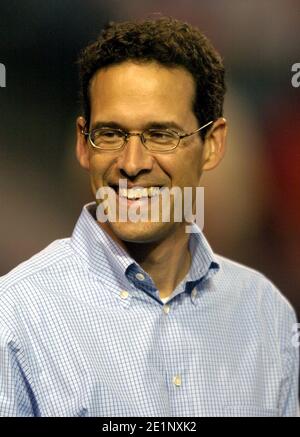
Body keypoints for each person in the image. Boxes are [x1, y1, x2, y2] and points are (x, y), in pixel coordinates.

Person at [0, 17, 298, 417]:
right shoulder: (18, 314)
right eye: (111, 134)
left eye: (162, 135)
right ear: (84, 149)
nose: (134, 164)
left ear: (213, 148)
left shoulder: (267, 314)